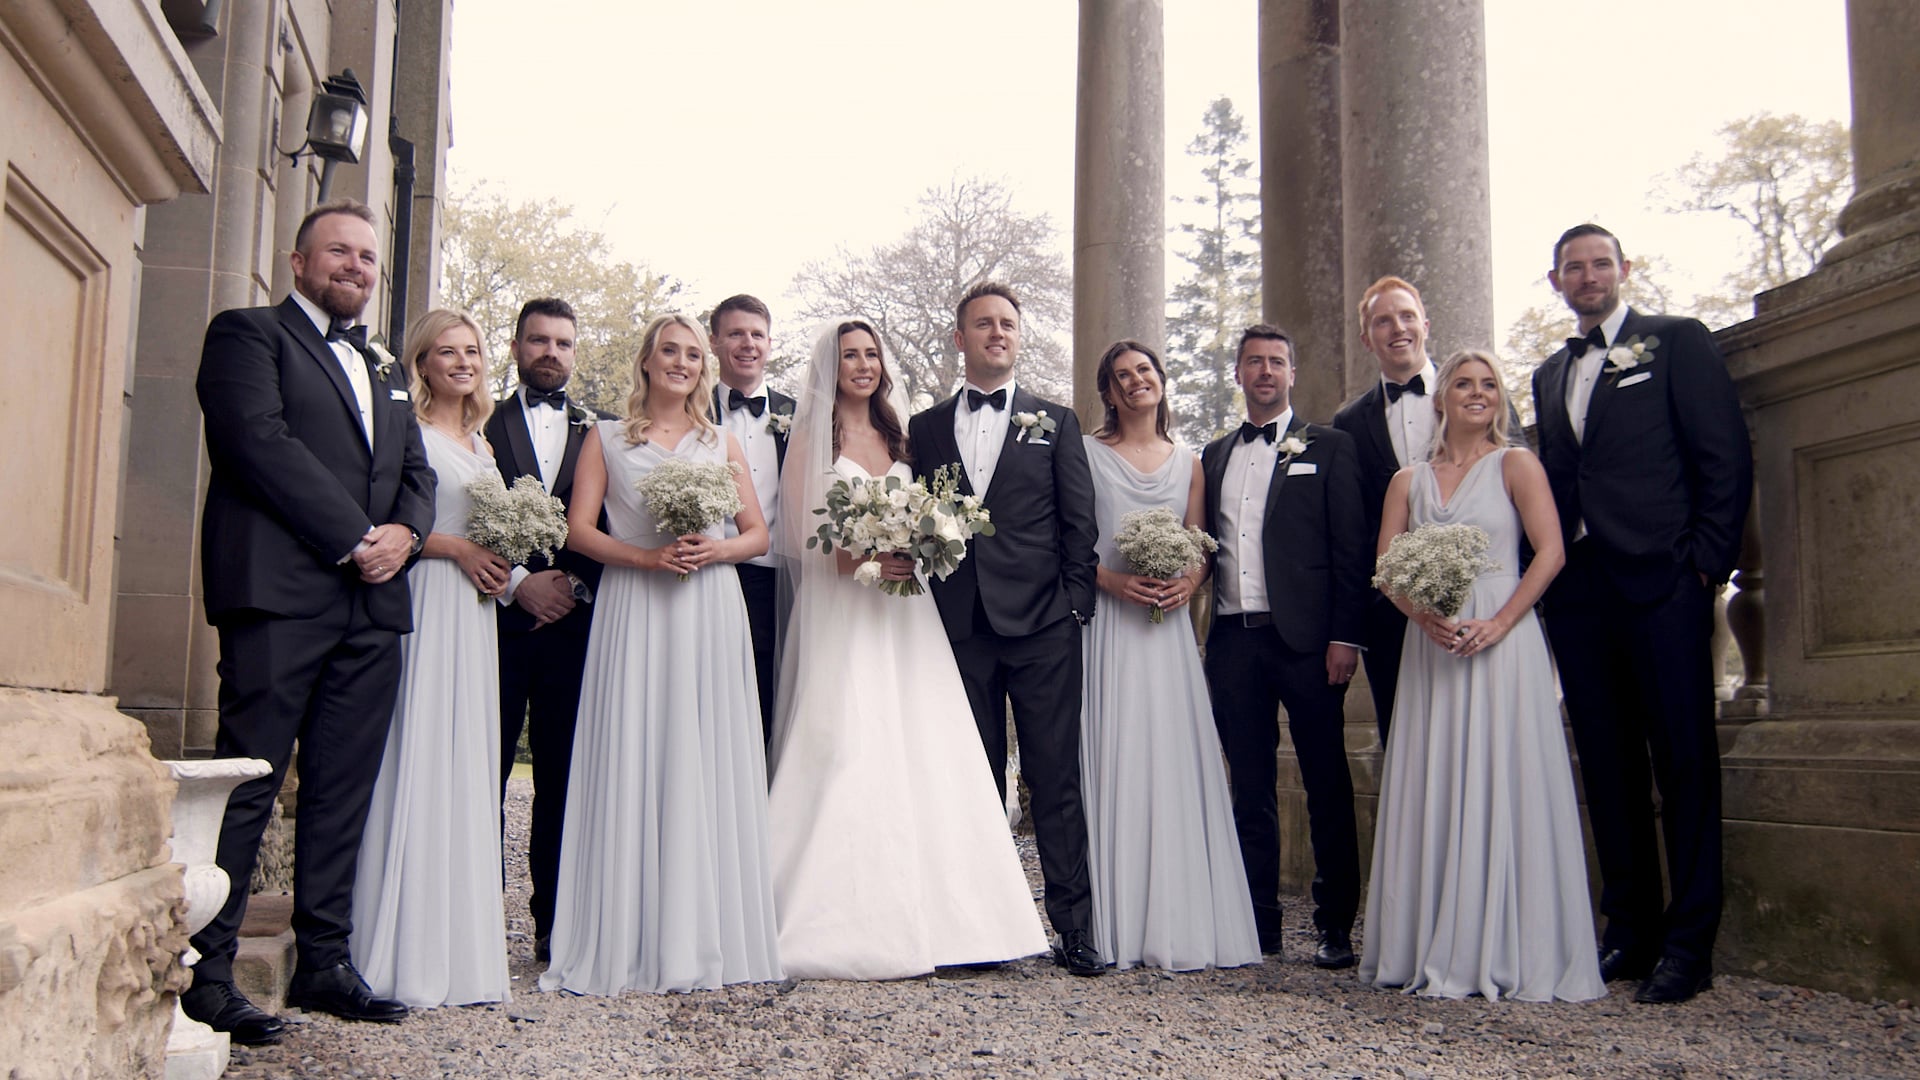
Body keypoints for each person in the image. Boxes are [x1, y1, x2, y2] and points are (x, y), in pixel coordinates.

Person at [186, 199, 433, 1042]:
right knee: (248, 783)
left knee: (342, 789)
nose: (356, 267)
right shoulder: (247, 334)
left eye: (368, 257)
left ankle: (325, 960)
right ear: (298, 261)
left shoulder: (386, 368)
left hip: (373, 607)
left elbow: (415, 470)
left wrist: (405, 532)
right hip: (282, 595)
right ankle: (207, 971)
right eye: (339, 252)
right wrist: (354, 536)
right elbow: (256, 441)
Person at [766, 319, 1047, 980]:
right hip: (843, 613)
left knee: (926, 748)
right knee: (846, 744)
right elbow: (795, 543)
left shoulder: (903, 438)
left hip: (905, 614)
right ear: (829, 367)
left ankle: (961, 924)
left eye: (870, 355)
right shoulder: (810, 438)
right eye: (849, 356)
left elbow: (933, 520)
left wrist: (920, 546)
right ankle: (837, 917)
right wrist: (866, 556)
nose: (862, 365)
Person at [1532, 224, 1752, 1004]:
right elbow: (1558, 478)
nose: (1587, 276)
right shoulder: (1549, 371)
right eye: (1573, 268)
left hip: (1664, 584)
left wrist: (1704, 565)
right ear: (1555, 280)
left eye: (1600, 264)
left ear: (1623, 270)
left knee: (1684, 762)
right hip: (1581, 596)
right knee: (1609, 764)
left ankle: (1691, 944)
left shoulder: (1676, 343)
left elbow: (1722, 454)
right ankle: (1629, 928)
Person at [538, 314, 782, 995]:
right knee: (637, 749)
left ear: (702, 369)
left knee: (706, 754)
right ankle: (627, 931)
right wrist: (645, 557)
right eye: (668, 351)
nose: (681, 363)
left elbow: (756, 535)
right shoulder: (606, 438)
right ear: (646, 362)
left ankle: (708, 930)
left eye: (691, 355)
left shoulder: (722, 441)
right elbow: (579, 531)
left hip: (709, 610)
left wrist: (714, 549)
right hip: (636, 609)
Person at [1359, 349, 1604, 1002]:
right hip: (1432, 644)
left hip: (1504, 638)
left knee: (1504, 775)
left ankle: (1510, 942)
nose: (1477, 393)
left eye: (1488, 384)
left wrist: (1500, 624)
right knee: (1438, 776)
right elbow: (1384, 568)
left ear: (1499, 398)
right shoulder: (1407, 481)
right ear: (1440, 399)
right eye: (1463, 383)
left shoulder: (1516, 464)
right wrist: (1422, 616)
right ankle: (1430, 939)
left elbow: (1549, 552)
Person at [906, 281, 1103, 976]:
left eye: (1008, 324)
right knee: (973, 778)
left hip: (1046, 626)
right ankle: (977, 931)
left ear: (1019, 337)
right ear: (959, 338)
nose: (997, 333)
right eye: (983, 324)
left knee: (1055, 779)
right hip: (961, 626)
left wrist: (1075, 604)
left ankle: (1074, 929)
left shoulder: (1056, 420)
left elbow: (1080, 523)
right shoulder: (925, 428)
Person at [1079, 341, 1261, 972]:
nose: (1135, 382)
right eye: (1122, 375)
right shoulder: (1086, 454)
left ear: (1161, 382)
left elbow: (1201, 543)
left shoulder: (1190, 461)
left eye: (1145, 372)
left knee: (1172, 757)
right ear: (1108, 390)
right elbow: (1070, 546)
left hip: (1168, 633)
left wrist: (1189, 579)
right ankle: (1113, 920)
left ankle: (1179, 916)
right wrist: (1114, 582)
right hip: (1110, 626)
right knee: (1115, 751)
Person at [349, 308, 512, 1008]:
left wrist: (504, 562)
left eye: (471, 350)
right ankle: (395, 948)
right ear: (421, 362)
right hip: (426, 602)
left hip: (475, 617)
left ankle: (456, 947)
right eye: (446, 351)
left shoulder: (481, 443)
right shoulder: (405, 430)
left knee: (464, 761)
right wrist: (458, 549)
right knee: (414, 751)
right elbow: (397, 522)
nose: (461, 361)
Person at [1201, 324, 1366, 969]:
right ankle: (1258, 921)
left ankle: (1334, 925)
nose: (1265, 372)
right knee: (1250, 785)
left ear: (1292, 374)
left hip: (1309, 643)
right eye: (1253, 363)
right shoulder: (1214, 456)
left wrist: (1344, 636)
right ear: (1238, 375)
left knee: (1327, 779)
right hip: (1235, 642)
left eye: (1276, 362)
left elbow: (1351, 549)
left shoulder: (1332, 446)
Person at [486, 298, 608, 964]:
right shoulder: (479, 422)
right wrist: (515, 584)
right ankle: (474, 918)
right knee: (485, 770)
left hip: (576, 630)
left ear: (574, 351)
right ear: (516, 348)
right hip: (493, 625)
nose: (551, 352)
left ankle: (555, 925)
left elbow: (614, 524)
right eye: (538, 341)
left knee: (565, 778)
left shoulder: (607, 430)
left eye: (563, 342)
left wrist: (573, 584)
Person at [1330, 277, 1441, 744]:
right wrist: (1352, 626)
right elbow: (1350, 533)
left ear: (1425, 325)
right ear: (1365, 338)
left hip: (1480, 598)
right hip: (1389, 613)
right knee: (1406, 738)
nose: (1397, 328)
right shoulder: (1349, 423)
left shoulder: (1477, 394)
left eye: (1406, 316)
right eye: (1382, 321)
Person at [710, 294, 794, 748]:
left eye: (756, 334)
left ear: (769, 343)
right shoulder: (689, 407)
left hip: (776, 583)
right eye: (736, 333)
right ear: (714, 341)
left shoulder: (800, 416)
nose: (747, 343)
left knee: (767, 700)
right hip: (706, 571)